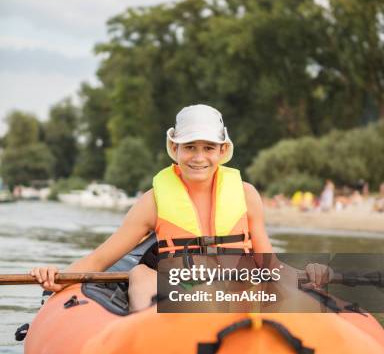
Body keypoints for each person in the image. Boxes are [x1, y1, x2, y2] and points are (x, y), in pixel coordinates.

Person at [31, 105, 332, 311]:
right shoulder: (152, 202)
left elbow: (269, 266)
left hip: (232, 291)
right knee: (141, 274)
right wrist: (55, 280)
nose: (198, 157)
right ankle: (148, 328)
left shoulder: (246, 195)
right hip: (177, 294)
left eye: (208, 148)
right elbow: (100, 259)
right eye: (189, 147)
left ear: (222, 151)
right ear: (174, 149)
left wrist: (307, 274)